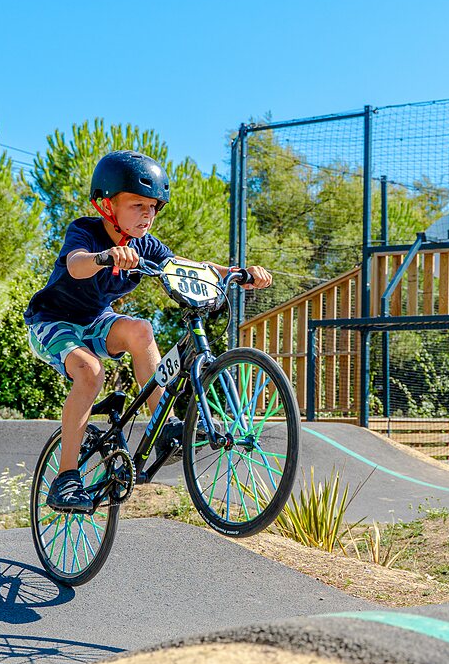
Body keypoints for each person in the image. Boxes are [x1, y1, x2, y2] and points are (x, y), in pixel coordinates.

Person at [25, 150, 272, 514]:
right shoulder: (86, 231)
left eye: (154, 207)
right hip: (52, 321)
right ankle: (66, 478)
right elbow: (75, 266)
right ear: (107, 204)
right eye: (137, 204)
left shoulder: (145, 246)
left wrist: (236, 272)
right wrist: (104, 257)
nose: (147, 214)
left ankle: (165, 425)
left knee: (141, 330)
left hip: (95, 320)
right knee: (91, 373)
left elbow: (186, 266)